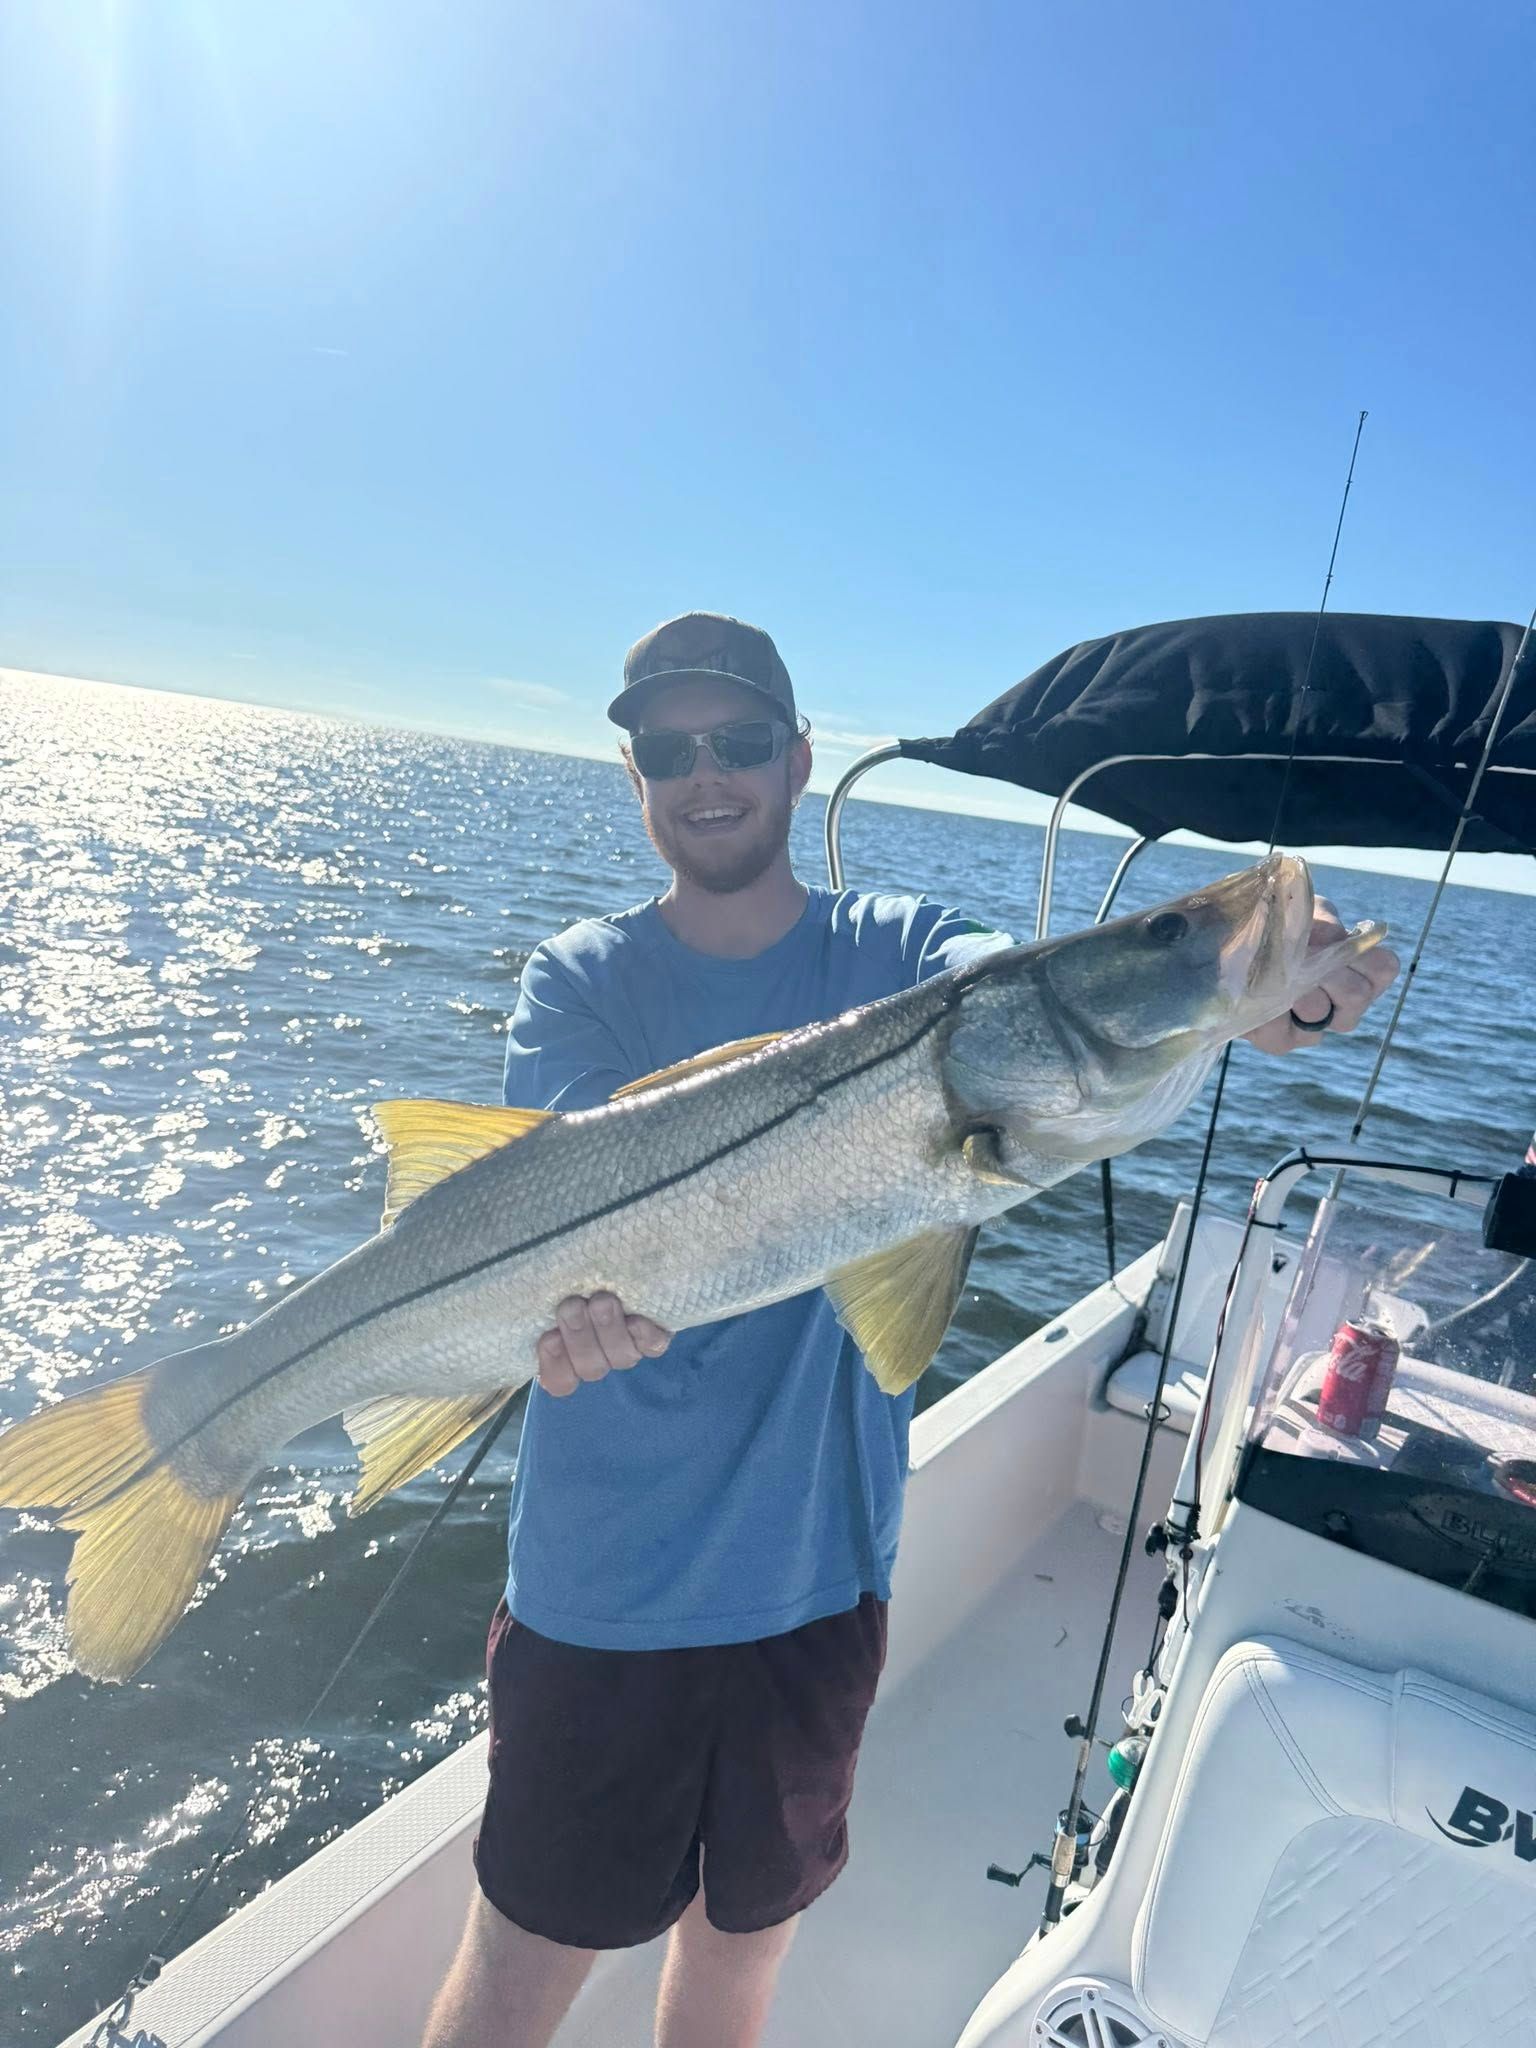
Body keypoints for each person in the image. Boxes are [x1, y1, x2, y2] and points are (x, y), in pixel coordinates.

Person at [422, 612, 1399, 2048]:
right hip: (604, 1591)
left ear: (799, 758)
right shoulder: (578, 979)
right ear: (632, 770)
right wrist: (536, 1331)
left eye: (741, 741)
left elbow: (1034, 990)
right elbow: (540, 1185)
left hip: (820, 1581)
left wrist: (1252, 995)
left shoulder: (915, 952)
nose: (708, 776)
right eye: (668, 748)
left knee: (739, 1965)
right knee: (518, 1980)